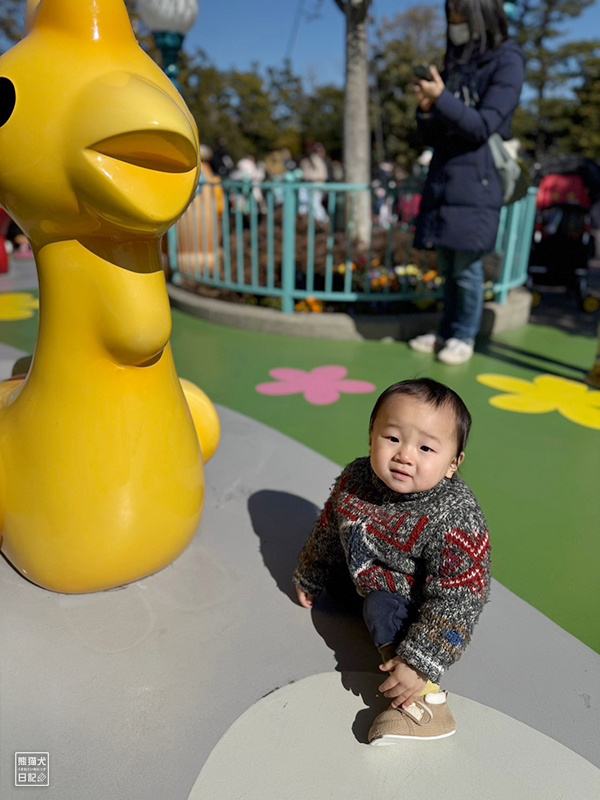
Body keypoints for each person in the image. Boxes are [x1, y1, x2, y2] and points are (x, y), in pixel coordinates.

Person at [294, 378, 491, 744]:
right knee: (349, 593)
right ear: (372, 435)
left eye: (427, 448)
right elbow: (329, 528)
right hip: (362, 574)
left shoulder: (454, 517)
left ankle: (424, 700)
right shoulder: (356, 479)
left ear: (453, 463)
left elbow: (460, 597)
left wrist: (419, 661)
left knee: (381, 605)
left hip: (417, 606)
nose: (405, 455)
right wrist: (311, 571)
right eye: (393, 438)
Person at [409, 0, 525, 365]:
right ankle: (446, 331)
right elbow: (433, 133)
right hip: (446, 175)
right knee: (447, 265)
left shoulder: (508, 60)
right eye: (451, 17)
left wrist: (442, 98)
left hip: (480, 177)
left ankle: (464, 334)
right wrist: (427, 108)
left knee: (467, 268)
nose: (455, 24)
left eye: (461, 16)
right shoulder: (456, 60)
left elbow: (482, 125)